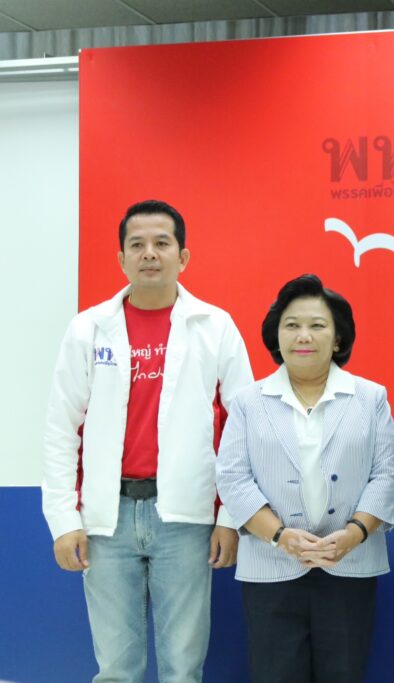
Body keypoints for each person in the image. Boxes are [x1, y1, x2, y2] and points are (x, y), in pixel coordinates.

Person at [42, 199, 254, 682]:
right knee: (116, 669)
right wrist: (63, 521)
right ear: (121, 259)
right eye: (137, 245)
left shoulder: (215, 327)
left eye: (162, 243)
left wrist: (229, 518)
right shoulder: (88, 329)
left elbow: (242, 428)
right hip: (106, 518)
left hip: (185, 519)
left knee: (183, 668)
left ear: (183, 256)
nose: (149, 254)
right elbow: (61, 428)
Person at [216, 274, 394, 683]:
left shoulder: (370, 397)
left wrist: (354, 534)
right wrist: (280, 536)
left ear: (337, 339)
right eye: (292, 325)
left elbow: (388, 473)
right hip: (271, 567)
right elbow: (232, 477)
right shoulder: (248, 402)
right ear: (276, 335)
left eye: (317, 325)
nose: (304, 335)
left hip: (350, 564)